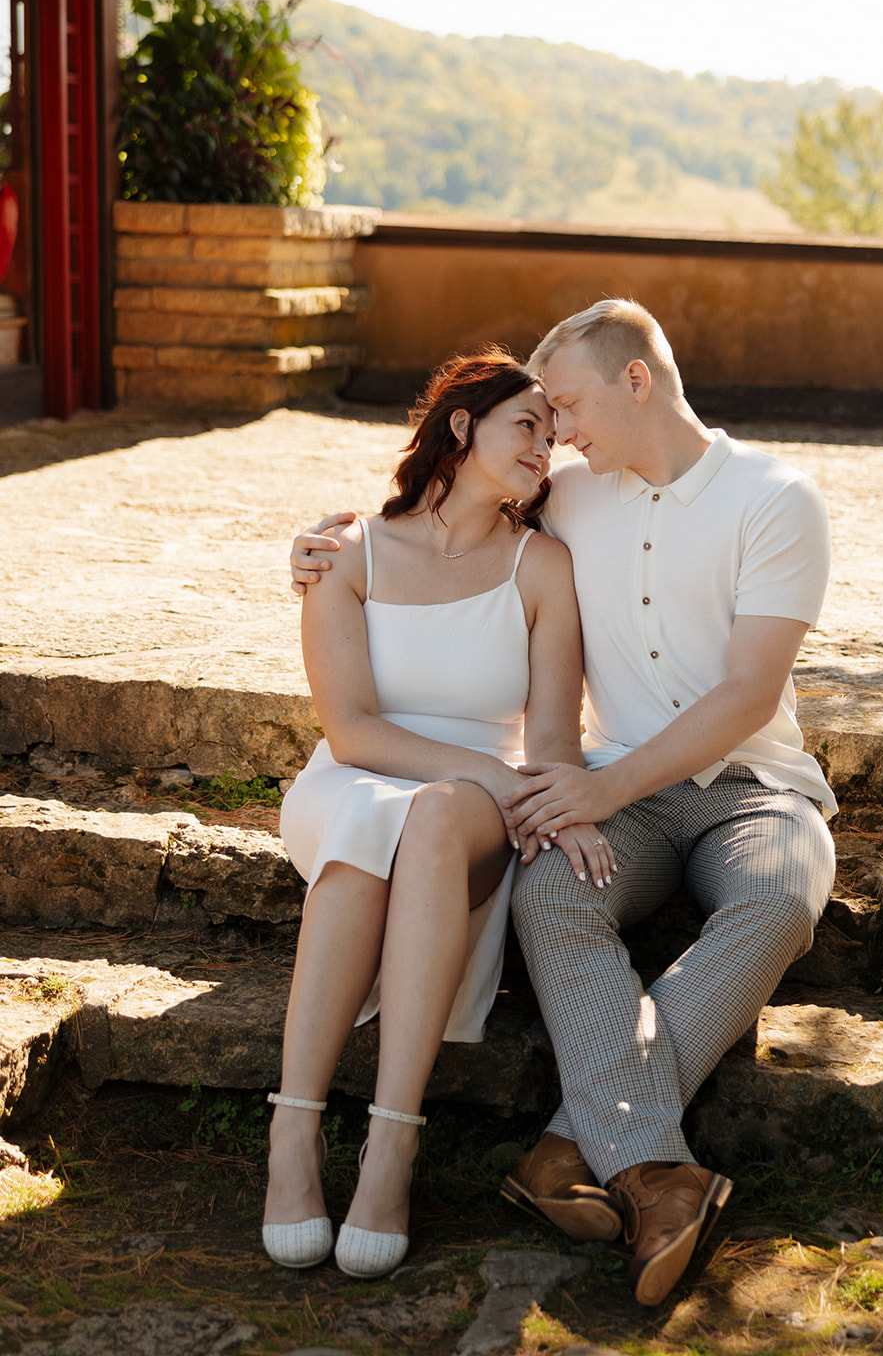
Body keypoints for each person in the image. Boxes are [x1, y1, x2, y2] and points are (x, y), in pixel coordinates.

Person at [290, 300, 838, 1306]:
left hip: (750, 787)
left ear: (637, 381)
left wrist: (595, 787)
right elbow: (439, 518)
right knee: (550, 897)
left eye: (572, 405)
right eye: (546, 417)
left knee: (778, 899)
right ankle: (650, 1174)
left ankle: (574, 1150)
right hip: (614, 788)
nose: (562, 432)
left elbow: (747, 694)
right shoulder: (569, 494)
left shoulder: (776, 497)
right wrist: (321, 547)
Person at [264, 348, 592, 1282]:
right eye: (525, 424)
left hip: (466, 811)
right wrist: (491, 770)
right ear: (461, 426)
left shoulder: (543, 566)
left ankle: (390, 1148)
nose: (545, 445)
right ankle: (293, 1139)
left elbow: (557, 740)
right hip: (355, 779)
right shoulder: (347, 551)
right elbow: (353, 730)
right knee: (376, 821)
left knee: (436, 817)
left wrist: (541, 793)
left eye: (552, 430)